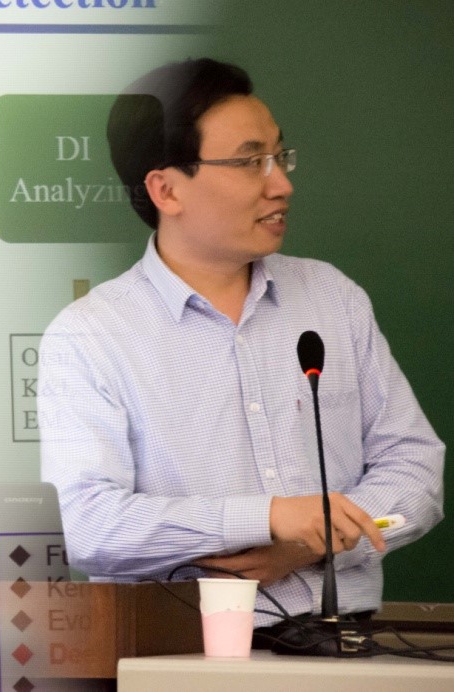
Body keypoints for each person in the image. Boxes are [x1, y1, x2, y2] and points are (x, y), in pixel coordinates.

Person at [38, 58, 445, 628]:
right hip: (180, 652)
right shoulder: (92, 333)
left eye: (280, 156)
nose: (281, 184)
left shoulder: (331, 298)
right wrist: (267, 518)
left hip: (348, 644)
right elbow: (88, 525)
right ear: (166, 189)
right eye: (251, 162)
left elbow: (414, 468)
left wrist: (312, 544)